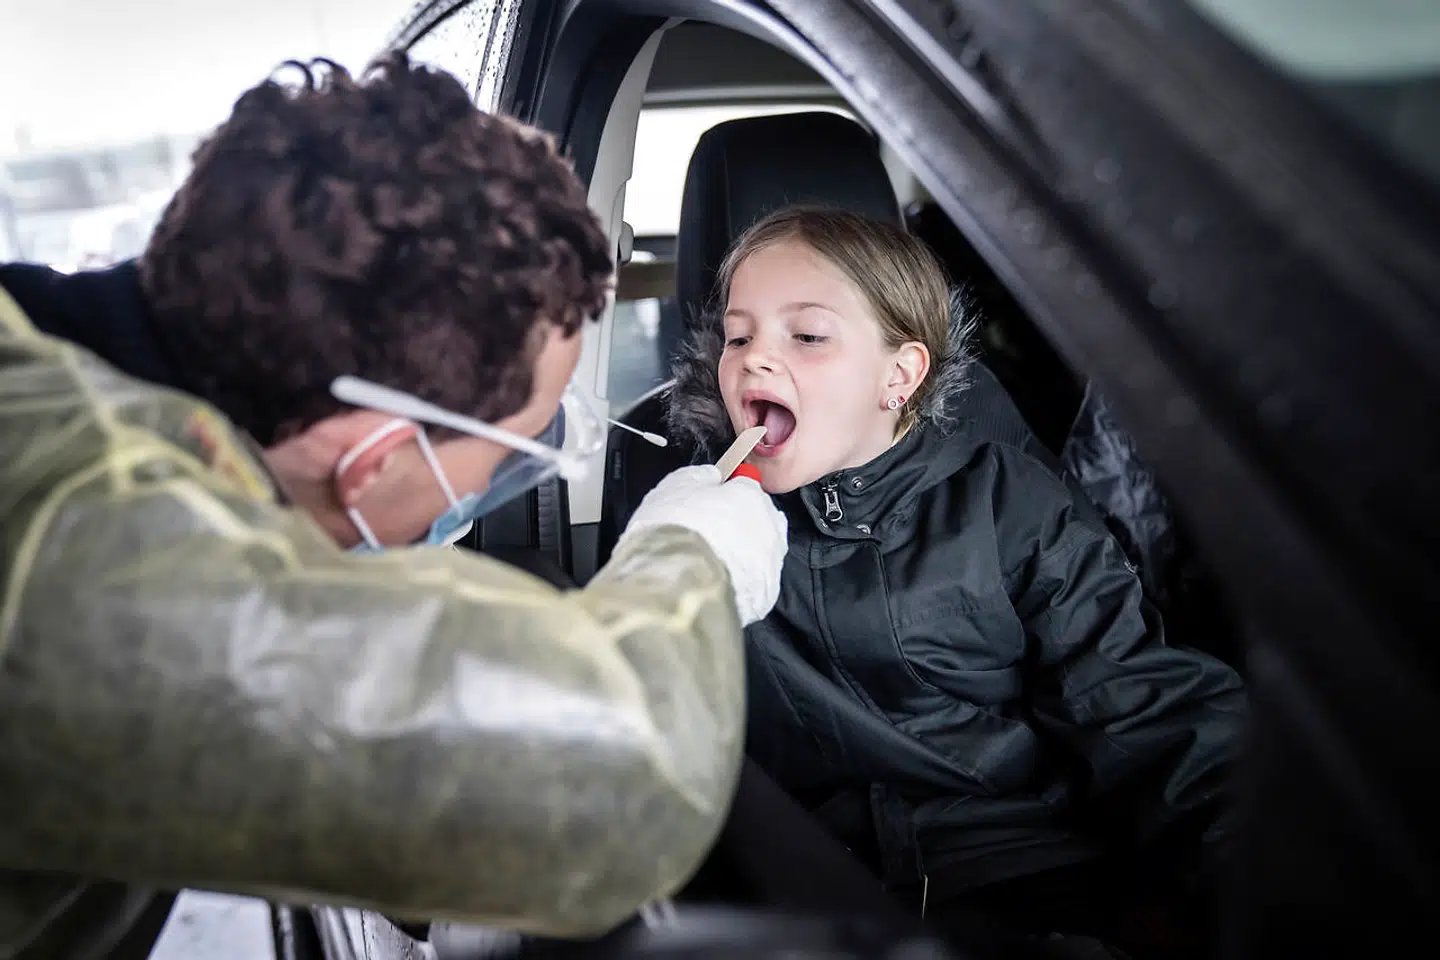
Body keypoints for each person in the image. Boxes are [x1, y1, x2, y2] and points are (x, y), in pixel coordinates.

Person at [0, 54, 788, 959]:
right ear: (369, 464)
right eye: (512, 454)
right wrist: (696, 552)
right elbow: (611, 789)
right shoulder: (76, 552)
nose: (502, 486)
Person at [665, 206, 1247, 956]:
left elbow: (1136, 700)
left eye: (806, 336)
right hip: (805, 882)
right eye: (739, 337)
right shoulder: (703, 519)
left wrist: (1251, 864)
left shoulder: (1011, 505)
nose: (754, 361)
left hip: (1017, 865)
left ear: (898, 376)